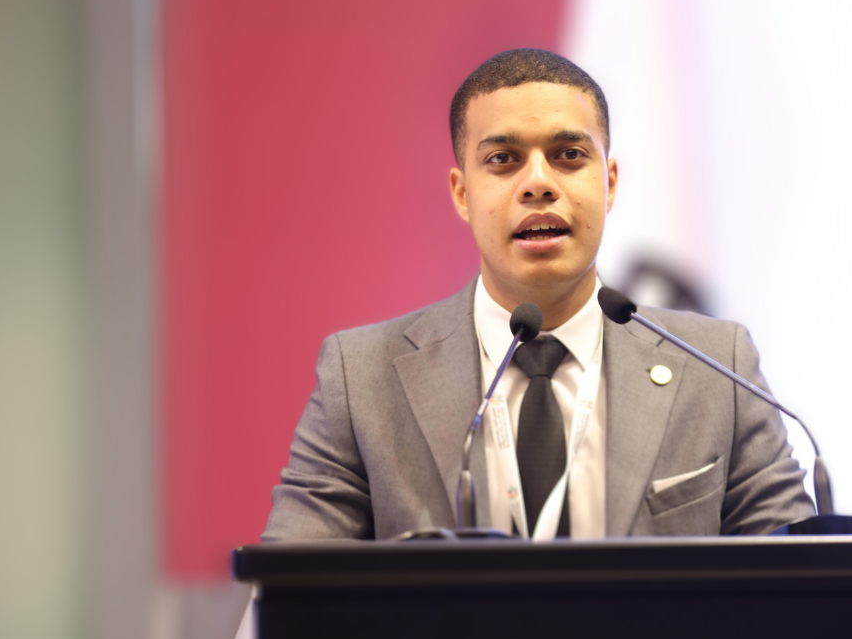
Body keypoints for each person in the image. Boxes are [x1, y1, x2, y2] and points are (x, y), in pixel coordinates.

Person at [260, 48, 813, 541]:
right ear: (461, 192)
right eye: (503, 160)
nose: (539, 183)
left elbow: (800, 592)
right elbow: (295, 592)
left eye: (570, 155)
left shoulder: (719, 366)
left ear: (610, 181)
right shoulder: (362, 378)